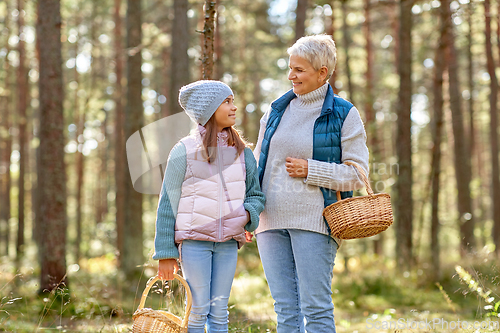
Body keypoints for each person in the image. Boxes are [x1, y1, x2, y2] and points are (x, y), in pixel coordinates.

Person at [253, 35, 369, 333]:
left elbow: (357, 174)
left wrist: (311, 169)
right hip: (269, 221)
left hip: (315, 221)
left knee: (315, 309)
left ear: (322, 72)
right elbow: (256, 165)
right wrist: (247, 213)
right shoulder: (276, 110)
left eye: (300, 70)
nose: (291, 76)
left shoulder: (344, 113)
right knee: (285, 310)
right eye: (290, 68)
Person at [153, 80, 265, 333]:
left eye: (232, 100)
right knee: (198, 310)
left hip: (228, 244)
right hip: (194, 244)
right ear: (209, 109)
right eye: (227, 102)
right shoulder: (183, 151)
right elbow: (167, 205)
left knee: (220, 311)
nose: (234, 107)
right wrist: (165, 253)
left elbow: (256, 195)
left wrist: (247, 215)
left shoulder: (243, 153)